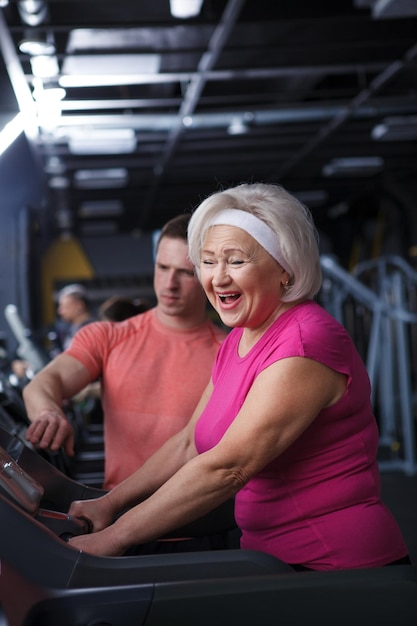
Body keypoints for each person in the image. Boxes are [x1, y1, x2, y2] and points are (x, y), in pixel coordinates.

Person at [66, 182, 410, 571]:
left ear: (285, 269)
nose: (218, 278)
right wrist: (109, 503)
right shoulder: (239, 339)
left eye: (236, 260)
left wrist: (113, 539)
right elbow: (188, 445)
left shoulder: (304, 341)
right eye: (209, 261)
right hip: (269, 558)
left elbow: (228, 466)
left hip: (334, 565)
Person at [22, 214, 227, 490]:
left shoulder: (231, 352)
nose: (169, 284)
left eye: (185, 272)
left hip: (201, 520)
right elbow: (44, 383)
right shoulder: (108, 336)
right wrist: (49, 412)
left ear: (208, 274)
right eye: (162, 267)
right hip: (117, 514)